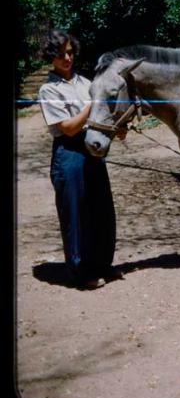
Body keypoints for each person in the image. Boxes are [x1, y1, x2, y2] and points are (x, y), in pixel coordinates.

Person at [38, 29, 125, 289]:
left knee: (102, 210)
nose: (67, 58)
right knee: (75, 215)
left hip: (93, 150)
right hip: (69, 153)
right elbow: (69, 127)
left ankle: (102, 265)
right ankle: (80, 272)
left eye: (70, 52)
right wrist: (94, 103)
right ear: (51, 56)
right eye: (60, 53)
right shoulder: (48, 89)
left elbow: (104, 116)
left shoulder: (86, 82)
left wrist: (118, 126)